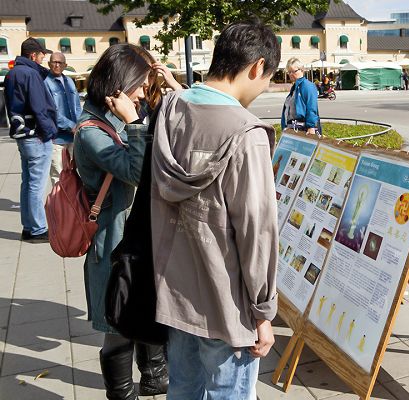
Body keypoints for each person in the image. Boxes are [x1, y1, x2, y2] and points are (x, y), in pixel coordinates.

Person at [151, 20, 280, 399]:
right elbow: (258, 231)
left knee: (184, 391)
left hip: (174, 291)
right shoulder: (246, 133)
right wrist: (264, 312)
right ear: (257, 67)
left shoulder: (171, 109)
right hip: (227, 304)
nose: (265, 87)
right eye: (268, 78)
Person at [73, 43, 180, 400]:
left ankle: (153, 377)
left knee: (144, 309)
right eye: (137, 84)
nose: (140, 92)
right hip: (113, 244)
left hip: (134, 236)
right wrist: (135, 122)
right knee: (117, 325)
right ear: (117, 84)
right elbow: (135, 171)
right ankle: (121, 394)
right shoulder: (91, 131)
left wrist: (170, 88)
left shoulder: (116, 117)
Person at [4, 37, 58, 243]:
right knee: (36, 184)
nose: (44, 57)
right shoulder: (30, 73)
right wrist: (50, 131)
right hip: (36, 135)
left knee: (27, 183)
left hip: (23, 135)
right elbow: (39, 108)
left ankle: (29, 227)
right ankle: (37, 229)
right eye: (42, 54)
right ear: (33, 55)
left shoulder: (12, 73)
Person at [44, 52, 82, 185]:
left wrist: (80, 124)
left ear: (65, 65)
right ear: (49, 64)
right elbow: (51, 111)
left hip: (73, 137)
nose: (57, 65)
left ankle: (72, 205)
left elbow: (77, 106)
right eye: (54, 62)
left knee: (75, 174)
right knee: (58, 176)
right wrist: (72, 126)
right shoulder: (46, 84)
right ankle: (58, 205)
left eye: (60, 62)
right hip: (57, 139)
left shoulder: (70, 81)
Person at [281, 57, 320, 135]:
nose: (291, 74)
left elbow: (312, 107)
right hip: (293, 129)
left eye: (294, 71)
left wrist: (311, 127)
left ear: (302, 69)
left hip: (303, 129)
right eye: (289, 72)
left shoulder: (308, 86)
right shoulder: (295, 87)